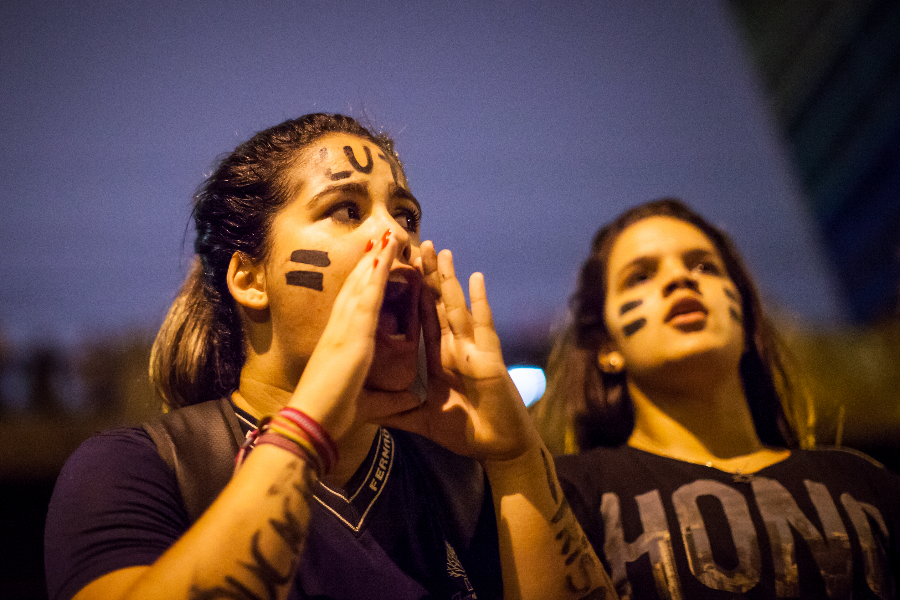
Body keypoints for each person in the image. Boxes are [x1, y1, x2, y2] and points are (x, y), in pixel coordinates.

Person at [44, 113, 614, 600]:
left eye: (407, 215)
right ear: (250, 279)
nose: (395, 235)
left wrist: (516, 458)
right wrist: (311, 421)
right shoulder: (134, 471)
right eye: (345, 209)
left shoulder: (462, 480)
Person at [532, 198, 900, 599]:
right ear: (607, 347)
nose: (680, 279)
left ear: (745, 316)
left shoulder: (864, 482)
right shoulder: (568, 494)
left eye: (704, 266)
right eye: (639, 276)